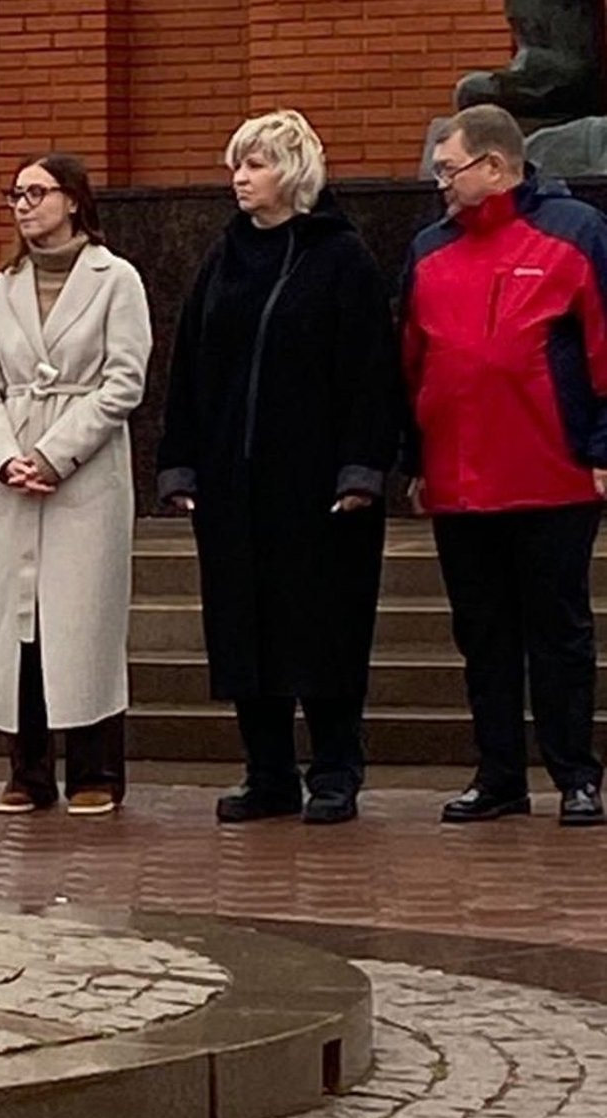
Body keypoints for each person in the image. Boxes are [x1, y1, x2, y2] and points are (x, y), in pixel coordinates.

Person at [157, 109, 399, 826]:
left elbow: (371, 373)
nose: (240, 177)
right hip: (235, 486)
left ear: (293, 173)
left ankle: (335, 770)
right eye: (237, 163)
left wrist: (362, 469)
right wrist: (180, 466)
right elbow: (189, 365)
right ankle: (267, 773)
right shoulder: (222, 259)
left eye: (256, 164)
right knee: (245, 627)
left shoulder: (341, 258)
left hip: (318, 488)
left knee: (324, 627)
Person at [402, 103, 607, 826]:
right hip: (458, 479)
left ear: (493, 166)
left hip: (553, 472)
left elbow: (604, 345)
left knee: (559, 631)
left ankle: (576, 775)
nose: (441, 185)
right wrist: (415, 460)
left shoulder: (577, 233)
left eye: (449, 170)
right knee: (482, 634)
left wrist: (602, 447)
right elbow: (412, 362)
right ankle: (498, 777)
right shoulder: (428, 249)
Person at [0, 154, 151, 817]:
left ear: (73, 200)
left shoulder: (115, 279)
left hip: (84, 473)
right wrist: (6, 455)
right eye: (16, 194)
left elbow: (124, 381)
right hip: (11, 474)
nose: (23, 205)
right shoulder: (0, 289)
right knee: (18, 620)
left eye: (36, 192)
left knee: (84, 618)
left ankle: (97, 771)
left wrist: (53, 454)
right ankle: (28, 770)